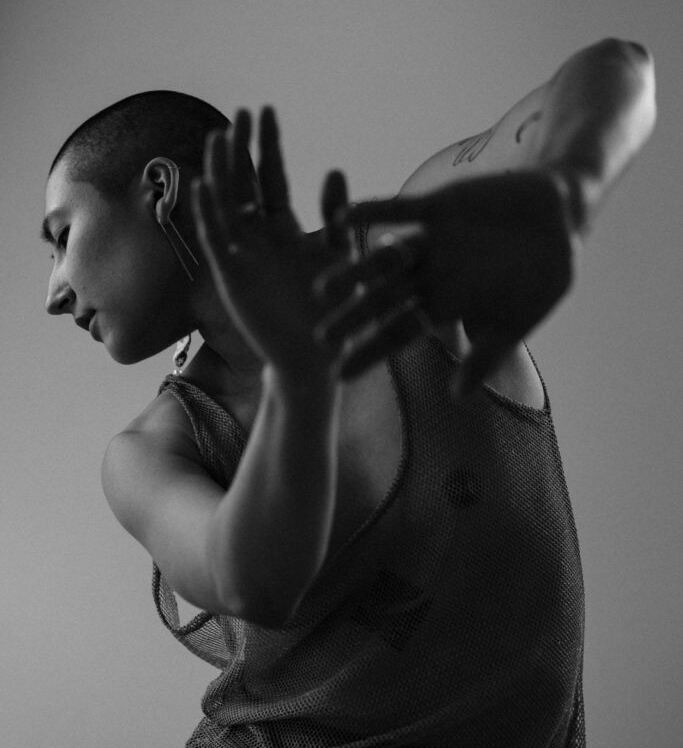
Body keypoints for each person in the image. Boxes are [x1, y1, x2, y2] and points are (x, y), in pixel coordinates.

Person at [42, 38, 655, 747]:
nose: (53, 292)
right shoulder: (152, 451)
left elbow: (615, 68)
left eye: (61, 236)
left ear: (159, 190)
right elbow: (256, 583)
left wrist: (569, 184)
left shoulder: (405, 258)